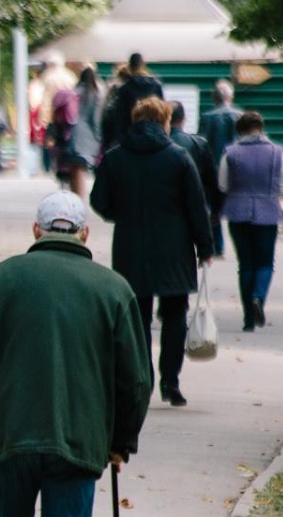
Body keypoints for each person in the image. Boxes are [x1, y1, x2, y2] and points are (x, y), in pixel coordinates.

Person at [0, 190, 152, 517]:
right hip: (79, 442)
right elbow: (137, 381)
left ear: (36, 230)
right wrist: (120, 442)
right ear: (85, 234)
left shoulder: (4, 279)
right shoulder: (114, 290)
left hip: (11, 441)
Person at [91, 97, 214, 407]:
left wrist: (120, 214)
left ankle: (141, 379)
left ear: (135, 120)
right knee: (175, 314)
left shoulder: (115, 157)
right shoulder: (179, 157)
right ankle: (170, 381)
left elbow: (98, 199)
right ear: (166, 122)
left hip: (131, 244)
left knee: (138, 317)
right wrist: (206, 246)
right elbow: (196, 207)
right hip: (175, 246)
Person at [218, 110, 283, 332]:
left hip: (238, 212)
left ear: (240, 130)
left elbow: (223, 184)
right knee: (265, 262)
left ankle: (248, 319)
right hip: (268, 212)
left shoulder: (230, 153)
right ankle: (258, 297)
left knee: (246, 264)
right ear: (261, 128)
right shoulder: (277, 153)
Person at [199, 80, 245, 257]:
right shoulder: (240, 116)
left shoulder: (207, 117)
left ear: (214, 97)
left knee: (214, 210)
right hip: (236, 170)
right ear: (230, 96)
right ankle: (241, 245)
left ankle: (218, 246)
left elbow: (202, 144)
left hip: (213, 170)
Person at [168, 101, 221, 232]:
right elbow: (212, 180)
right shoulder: (199, 144)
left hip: (163, 210)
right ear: (183, 119)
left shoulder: (156, 144)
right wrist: (215, 210)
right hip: (193, 206)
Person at [102, 52, 164, 155]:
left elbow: (119, 118)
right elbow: (163, 112)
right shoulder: (156, 86)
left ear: (129, 66)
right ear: (143, 65)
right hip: (154, 136)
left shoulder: (124, 88)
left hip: (130, 138)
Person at [64, 65, 104, 201]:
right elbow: (96, 119)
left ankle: (74, 198)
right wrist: (99, 138)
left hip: (71, 133)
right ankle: (79, 201)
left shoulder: (73, 92)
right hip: (87, 136)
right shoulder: (95, 95)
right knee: (82, 170)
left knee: (73, 170)